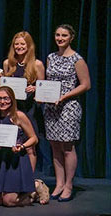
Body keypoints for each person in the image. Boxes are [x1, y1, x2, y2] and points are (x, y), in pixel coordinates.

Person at [45, 24, 90, 202]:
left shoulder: (77, 59)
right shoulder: (51, 57)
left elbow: (86, 84)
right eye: (57, 35)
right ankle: (59, 183)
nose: (60, 38)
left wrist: (64, 96)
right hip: (51, 108)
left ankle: (69, 185)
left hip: (68, 107)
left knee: (67, 148)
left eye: (64, 35)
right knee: (55, 146)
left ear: (71, 37)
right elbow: (48, 81)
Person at [0, 87, 39, 207]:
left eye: (6, 98)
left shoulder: (19, 116)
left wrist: (22, 146)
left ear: (12, 100)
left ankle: (34, 191)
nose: (2, 102)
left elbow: (34, 138)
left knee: (9, 201)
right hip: (0, 160)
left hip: (16, 160)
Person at [2, 32, 46, 172]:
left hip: (29, 110)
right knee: (10, 143)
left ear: (29, 46)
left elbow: (43, 91)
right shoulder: (8, 63)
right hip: (11, 109)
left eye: (22, 44)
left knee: (30, 146)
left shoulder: (37, 64)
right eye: (16, 44)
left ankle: (29, 181)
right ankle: (12, 177)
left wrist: (35, 88)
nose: (19, 47)